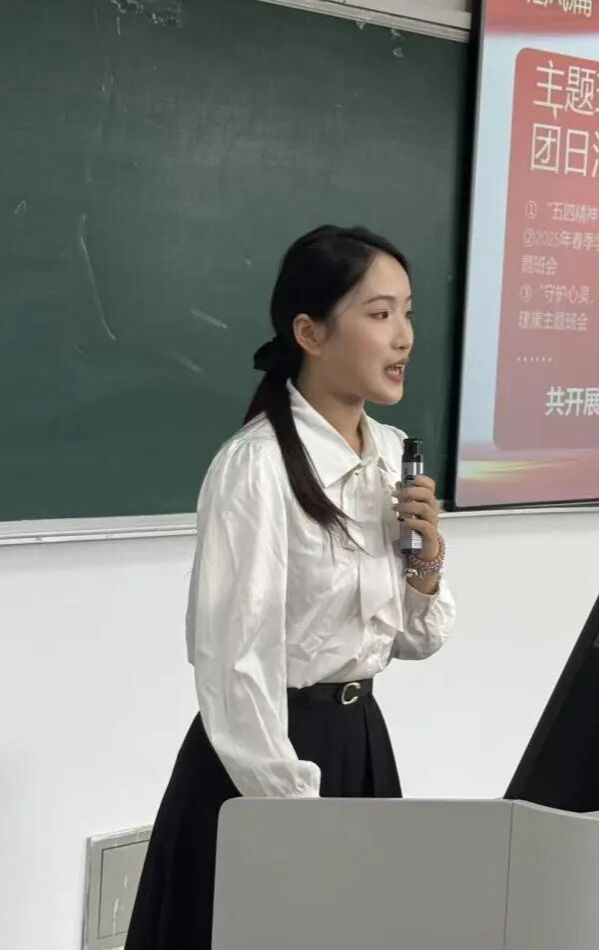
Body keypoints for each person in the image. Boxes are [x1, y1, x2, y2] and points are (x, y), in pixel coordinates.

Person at [124, 225, 458, 950]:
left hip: (360, 743)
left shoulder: (392, 454)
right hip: (267, 764)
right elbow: (233, 666)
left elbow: (413, 639)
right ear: (309, 332)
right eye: (379, 314)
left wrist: (427, 561)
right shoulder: (256, 467)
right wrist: (298, 816)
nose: (403, 336)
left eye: (407, 312)